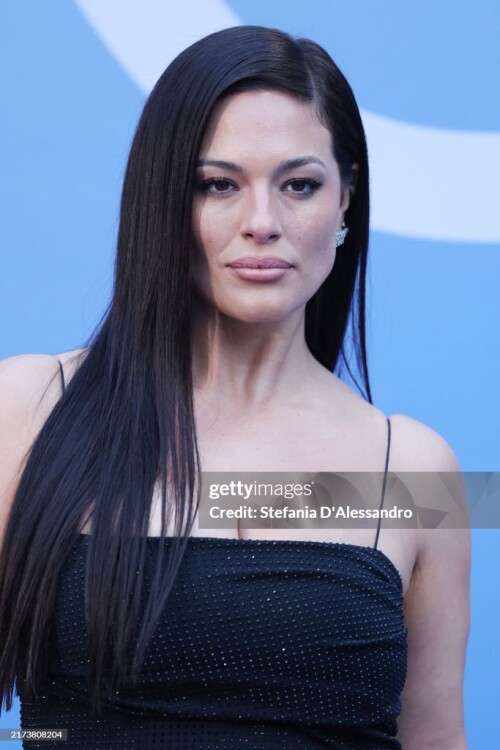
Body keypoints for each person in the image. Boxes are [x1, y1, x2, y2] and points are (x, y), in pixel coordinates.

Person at [0, 25, 470, 750]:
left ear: (347, 197)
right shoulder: (28, 407)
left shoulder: (413, 471)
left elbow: (435, 736)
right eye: (219, 184)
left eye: (300, 185)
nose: (262, 224)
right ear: (164, 200)